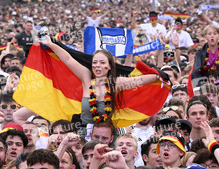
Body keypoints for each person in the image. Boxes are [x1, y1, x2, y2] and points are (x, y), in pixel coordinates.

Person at [34, 37, 162, 126]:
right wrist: (51, 45)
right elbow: (68, 59)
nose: (97, 66)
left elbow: (139, 81)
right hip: (83, 133)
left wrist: (157, 76)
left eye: (102, 63)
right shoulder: (86, 77)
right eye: (95, 62)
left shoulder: (116, 83)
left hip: (107, 134)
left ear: (110, 66)